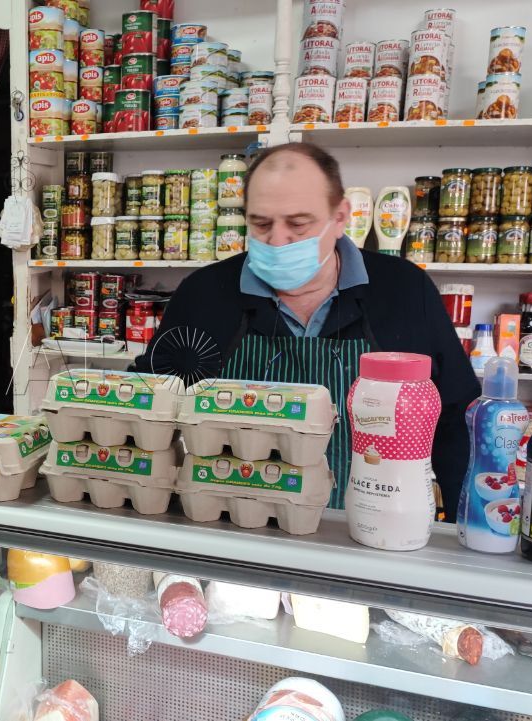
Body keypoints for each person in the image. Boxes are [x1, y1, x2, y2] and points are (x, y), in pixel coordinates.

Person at [133, 143, 478, 515]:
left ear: (340, 216)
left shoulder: (405, 291)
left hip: (368, 528)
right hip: (230, 522)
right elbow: (147, 405)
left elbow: (457, 421)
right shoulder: (204, 294)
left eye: (298, 224)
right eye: (261, 224)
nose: (278, 240)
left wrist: (464, 524)